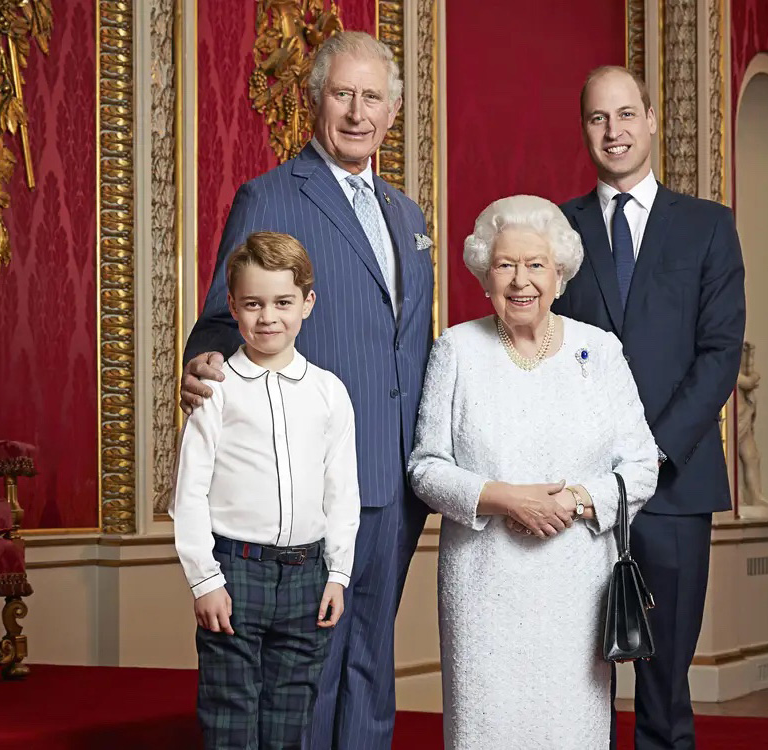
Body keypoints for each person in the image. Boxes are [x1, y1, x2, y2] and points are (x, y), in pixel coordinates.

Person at [179, 31, 434, 750]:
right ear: (316, 100)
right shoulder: (269, 195)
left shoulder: (407, 216)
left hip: (397, 475)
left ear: (392, 112)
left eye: (372, 97)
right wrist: (203, 360)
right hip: (312, 477)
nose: (357, 112)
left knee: (372, 663)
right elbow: (221, 320)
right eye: (342, 94)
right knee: (310, 671)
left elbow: (411, 344)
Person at [408, 195, 659, 749]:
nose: (521, 281)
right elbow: (425, 468)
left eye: (535, 265)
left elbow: (642, 467)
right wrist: (505, 498)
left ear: (560, 271)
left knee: (569, 728)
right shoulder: (457, 349)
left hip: (576, 583)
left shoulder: (601, 351)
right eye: (505, 265)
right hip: (483, 583)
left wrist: (570, 500)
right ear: (484, 272)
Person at [554, 65, 746, 750]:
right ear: (585, 129)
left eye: (627, 114)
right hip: (578, 490)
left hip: (675, 483)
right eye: (599, 118)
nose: (615, 131)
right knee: (578, 678)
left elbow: (721, 353)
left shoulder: (708, 228)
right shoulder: (557, 231)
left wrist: (653, 452)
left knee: (665, 682)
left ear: (653, 119)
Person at [171, 231, 361, 750]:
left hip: (308, 574)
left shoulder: (328, 392)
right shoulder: (215, 390)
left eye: (283, 302)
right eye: (253, 304)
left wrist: (338, 574)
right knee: (229, 711)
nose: (268, 317)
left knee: (291, 713)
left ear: (307, 303)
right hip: (235, 572)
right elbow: (188, 495)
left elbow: (341, 491)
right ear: (232, 306)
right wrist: (203, 580)